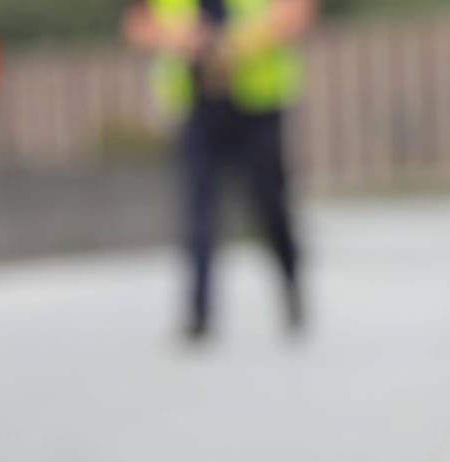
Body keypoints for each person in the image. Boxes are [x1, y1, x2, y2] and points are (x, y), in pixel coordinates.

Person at [124, 0, 317, 343]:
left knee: (269, 202)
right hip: (196, 102)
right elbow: (137, 26)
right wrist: (180, 40)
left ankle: (290, 284)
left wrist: (240, 42)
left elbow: (297, 13)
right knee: (199, 206)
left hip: (257, 100)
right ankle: (199, 311)